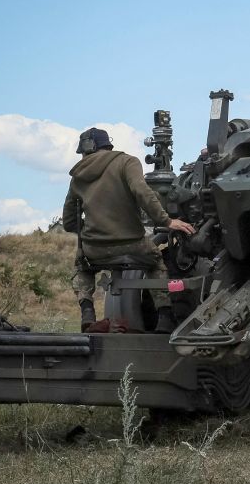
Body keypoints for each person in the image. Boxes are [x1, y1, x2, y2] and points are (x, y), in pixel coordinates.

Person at [61, 127, 195, 333]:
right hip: (133, 246)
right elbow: (141, 191)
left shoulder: (78, 174)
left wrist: (91, 231)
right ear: (107, 145)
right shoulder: (127, 162)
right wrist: (167, 221)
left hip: (95, 250)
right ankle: (165, 317)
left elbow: (69, 221)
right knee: (156, 262)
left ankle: (87, 313)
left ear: (86, 149)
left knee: (82, 266)